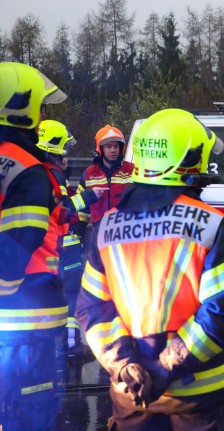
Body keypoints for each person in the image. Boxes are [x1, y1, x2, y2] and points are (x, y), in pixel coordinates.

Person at [76, 108, 224, 430]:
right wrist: (164, 368)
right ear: (186, 159)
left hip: (132, 393)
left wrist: (127, 366)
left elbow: (92, 311)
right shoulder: (210, 223)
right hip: (200, 396)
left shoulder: (107, 227)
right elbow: (223, 313)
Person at [0, 61, 68, 430]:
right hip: (23, 321)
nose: (43, 115)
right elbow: (19, 240)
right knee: (30, 410)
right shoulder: (26, 169)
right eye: (40, 107)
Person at [37, 119, 103, 354]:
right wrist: (89, 197)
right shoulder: (53, 174)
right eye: (65, 146)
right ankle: (69, 345)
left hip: (49, 248)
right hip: (59, 247)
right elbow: (62, 208)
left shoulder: (35, 170)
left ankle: (64, 344)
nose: (67, 152)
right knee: (70, 293)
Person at [76, 124, 134, 240]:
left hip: (127, 235)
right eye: (108, 146)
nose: (113, 150)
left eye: (116, 146)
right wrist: (79, 233)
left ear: (121, 148)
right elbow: (81, 210)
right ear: (100, 149)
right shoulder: (89, 174)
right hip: (99, 236)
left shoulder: (132, 171)